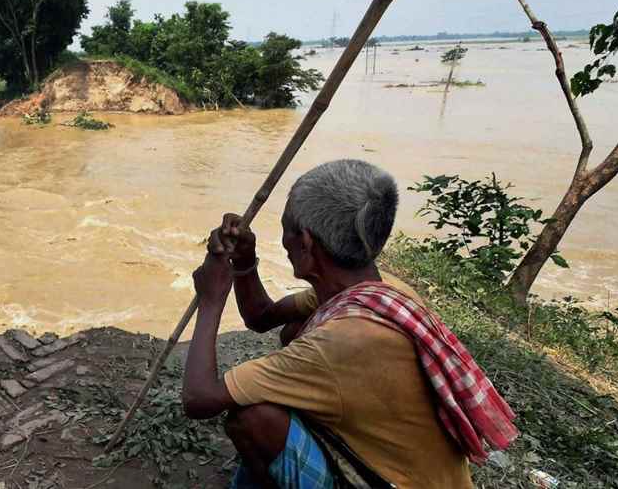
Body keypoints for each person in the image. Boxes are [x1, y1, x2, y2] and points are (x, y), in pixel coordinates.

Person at [181, 159, 517, 489]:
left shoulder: (340, 342)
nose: (283, 241)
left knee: (252, 418)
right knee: (293, 331)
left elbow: (199, 398)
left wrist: (211, 300)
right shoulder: (380, 294)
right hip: (421, 473)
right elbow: (261, 317)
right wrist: (244, 262)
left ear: (307, 245)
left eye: (287, 229)